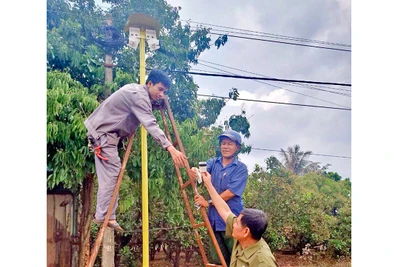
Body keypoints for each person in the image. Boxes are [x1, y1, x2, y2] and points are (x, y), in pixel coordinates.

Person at [84, 69, 187, 233]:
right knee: (112, 174)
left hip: (105, 133)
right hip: (104, 134)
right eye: (160, 89)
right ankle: (104, 215)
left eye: (164, 92)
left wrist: (156, 102)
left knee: (113, 173)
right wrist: (171, 148)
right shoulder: (139, 97)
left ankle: (106, 214)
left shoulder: (137, 91)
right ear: (150, 83)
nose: (161, 94)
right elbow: (151, 124)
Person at [195, 171, 278, 267]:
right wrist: (208, 184)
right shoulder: (243, 240)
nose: (233, 224)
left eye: (237, 223)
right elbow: (225, 211)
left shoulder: (262, 261)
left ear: (246, 231)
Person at [192, 130, 248, 265]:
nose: (225, 147)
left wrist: (208, 202)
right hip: (214, 221)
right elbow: (202, 170)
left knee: (237, 258)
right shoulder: (213, 163)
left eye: (229, 144)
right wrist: (195, 171)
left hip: (232, 222)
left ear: (237, 148)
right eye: (223, 143)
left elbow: (230, 193)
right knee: (217, 259)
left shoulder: (240, 168)